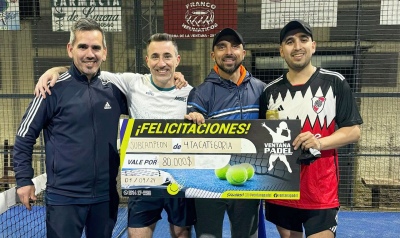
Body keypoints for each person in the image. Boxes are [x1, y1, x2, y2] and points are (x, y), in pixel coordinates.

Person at [35, 33, 199, 238]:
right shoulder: (132, 83)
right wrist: (55, 70)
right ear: (147, 61)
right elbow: (87, 68)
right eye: (155, 56)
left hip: (180, 180)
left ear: (177, 59)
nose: (161, 63)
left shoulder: (191, 93)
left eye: (167, 56)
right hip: (143, 180)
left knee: (181, 234)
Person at [13, 18, 128, 238]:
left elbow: (149, 102)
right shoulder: (52, 89)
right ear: (70, 49)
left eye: (95, 47)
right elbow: (24, 137)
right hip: (64, 199)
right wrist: (24, 180)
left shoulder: (115, 90)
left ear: (104, 52)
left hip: (105, 197)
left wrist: (175, 78)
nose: (89, 54)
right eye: (82, 46)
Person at [259, 19, 363, 238]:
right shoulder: (269, 91)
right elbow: (261, 139)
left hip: (321, 192)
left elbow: (353, 131)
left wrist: (319, 142)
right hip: (282, 190)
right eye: (289, 41)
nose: (297, 46)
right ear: (281, 51)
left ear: (313, 46)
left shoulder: (334, 82)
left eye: (303, 39)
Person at [186, 28, 266, 238]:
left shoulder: (261, 90)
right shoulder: (200, 92)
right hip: (208, 184)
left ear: (244, 53)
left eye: (235, 46)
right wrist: (193, 123)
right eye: (222, 47)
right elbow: (192, 141)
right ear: (213, 55)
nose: (228, 51)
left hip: (249, 182)